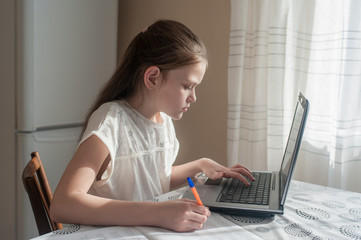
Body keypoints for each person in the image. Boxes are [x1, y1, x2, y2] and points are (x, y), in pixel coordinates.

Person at [50, 19, 255, 232]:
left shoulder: (162, 119)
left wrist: (201, 165)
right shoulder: (110, 122)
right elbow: (63, 204)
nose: (193, 97)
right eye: (187, 86)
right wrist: (157, 213)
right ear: (153, 78)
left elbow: (154, 177)